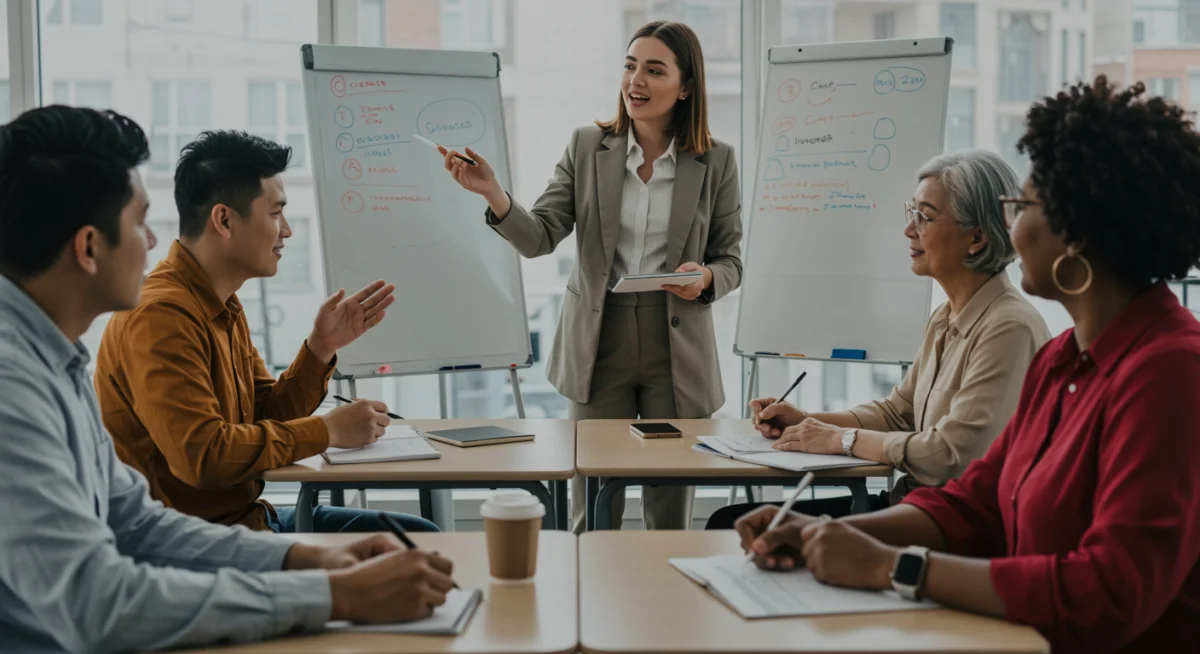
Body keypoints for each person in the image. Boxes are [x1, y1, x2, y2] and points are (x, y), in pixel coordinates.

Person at [735, 77, 1200, 653]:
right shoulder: (1063, 360)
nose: (1011, 226)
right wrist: (823, 532)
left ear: (1078, 231)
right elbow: (973, 503)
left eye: (1021, 207)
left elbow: (1107, 593)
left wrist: (893, 566)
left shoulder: (1171, 373)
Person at [0, 105, 454, 653]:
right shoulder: (17, 386)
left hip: (232, 529)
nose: (151, 242)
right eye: (139, 222)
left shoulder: (59, 359)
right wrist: (334, 594)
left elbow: (136, 522)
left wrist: (306, 560)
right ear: (90, 247)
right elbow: (99, 601)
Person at [440, 21, 742, 532]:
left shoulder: (716, 159)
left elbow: (730, 259)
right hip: (599, 341)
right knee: (592, 505)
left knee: (670, 508)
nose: (635, 81)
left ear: (685, 87)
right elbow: (539, 237)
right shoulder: (587, 145)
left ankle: (662, 585)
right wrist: (493, 193)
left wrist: (707, 278)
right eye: (629, 66)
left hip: (677, 344)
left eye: (654, 70)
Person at [94, 130, 436, 534]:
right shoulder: (161, 316)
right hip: (195, 540)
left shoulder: (221, 302)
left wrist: (320, 348)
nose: (286, 230)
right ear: (224, 220)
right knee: (414, 545)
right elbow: (202, 456)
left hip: (248, 520)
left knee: (417, 537)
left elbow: (265, 415)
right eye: (276, 214)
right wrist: (327, 431)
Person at [707, 150, 1050, 528]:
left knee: (732, 524)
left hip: (953, 526)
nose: (909, 230)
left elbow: (949, 455)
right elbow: (896, 414)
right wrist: (805, 422)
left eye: (925, 217)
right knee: (730, 520)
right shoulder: (945, 316)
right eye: (911, 213)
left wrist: (841, 439)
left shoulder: (1009, 328)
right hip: (913, 505)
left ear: (977, 237)